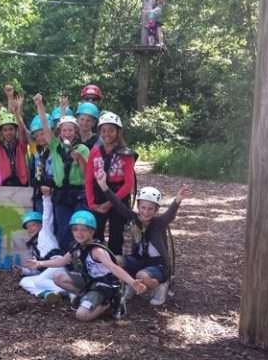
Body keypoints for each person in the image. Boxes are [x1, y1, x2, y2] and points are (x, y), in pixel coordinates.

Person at [27, 210, 147, 321]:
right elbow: (62, 261)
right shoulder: (77, 247)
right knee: (58, 276)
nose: (79, 233)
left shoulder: (96, 251)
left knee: (81, 315)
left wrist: (132, 282)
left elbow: (113, 267)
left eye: (84, 229)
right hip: (90, 281)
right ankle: (87, 297)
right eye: (75, 229)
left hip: (104, 285)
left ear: (92, 231)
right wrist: (39, 263)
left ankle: (110, 303)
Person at [96, 171, 192, 306]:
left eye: (150, 209)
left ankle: (160, 285)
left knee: (141, 275)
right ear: (138, 207)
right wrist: (104, 186)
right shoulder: (134, 219)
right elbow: (118, 205)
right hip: (139, 260)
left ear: (156, 210)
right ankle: (130, 285)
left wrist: (178, 199)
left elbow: (170, 214)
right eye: (143, 208)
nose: (146, 212)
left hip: (158, 265)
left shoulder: (159, 223)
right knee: (114, 260)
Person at [33, 94, 90, 249]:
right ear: (60, 133)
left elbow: (88, 174)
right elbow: (45, 125)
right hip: (60, 194)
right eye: (64, 130)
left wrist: (79, 159)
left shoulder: (83, 149)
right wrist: (40, 105)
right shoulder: (55, 147)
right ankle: (65, 260)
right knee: (64, 228)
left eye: (70, 130)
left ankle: (81, 257)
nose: (67, 133)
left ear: (76, 133)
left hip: (78, 194)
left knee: (80, 227)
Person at [85, 111, 137, 256]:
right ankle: (97, 263)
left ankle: (115, 267)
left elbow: (128, 185)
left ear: (118, 132)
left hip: (118, 196)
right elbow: (89, 179)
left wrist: (110, 203)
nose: (107, 134)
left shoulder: (126, 154)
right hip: (98, 195)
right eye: (104, 130)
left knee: (116, 234)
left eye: (111, 130)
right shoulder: (95, 152)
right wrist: (92, 204)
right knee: (96, 233)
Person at [17, 186, 67, 303]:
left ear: (40, 225)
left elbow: (47, 215)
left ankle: (70, 292)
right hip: (47, 271)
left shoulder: (45, 233)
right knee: (24, 281)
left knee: (40, 281)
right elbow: (38, 267)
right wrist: (24, 271)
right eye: (28, 227)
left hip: (57, 266)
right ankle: (47, 293)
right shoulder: (34, 245)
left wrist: (46, 197)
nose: (30, 229)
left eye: (33, 225)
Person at [27, 113, 55, 213]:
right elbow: (27, 135)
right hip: (39, 192)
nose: (39, 138)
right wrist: (17, 115)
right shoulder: (36, 149)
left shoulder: (55, 148)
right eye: (37, 135)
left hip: (53, 190)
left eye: (42, 133)